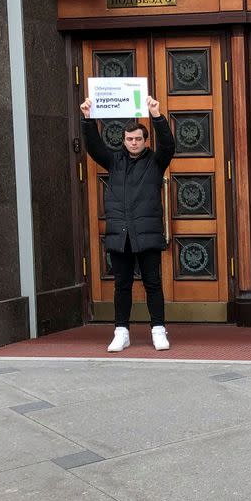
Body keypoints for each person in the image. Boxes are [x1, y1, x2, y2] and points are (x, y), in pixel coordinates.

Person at [80, 95, 175, 352]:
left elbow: (168, 144)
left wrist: (156, 115)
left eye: (138, 139)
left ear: (145, 141)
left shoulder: (156, 161)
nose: (133, 143)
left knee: (152, 283)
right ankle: (121, 332)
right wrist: (88, 118)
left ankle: (158, 330)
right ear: (124, 141)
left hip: (147, 234)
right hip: (120, 234)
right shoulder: (114, 162)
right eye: (129, 139)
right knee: (122, 285)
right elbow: (94, 147)